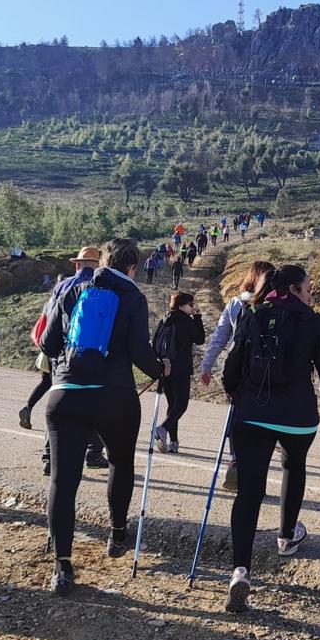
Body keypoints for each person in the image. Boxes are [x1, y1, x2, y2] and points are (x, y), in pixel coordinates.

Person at [38, 238, 170, 595]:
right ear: (132, 268)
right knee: (120, 463)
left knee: (63, 480)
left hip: (66, 395)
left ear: (102, 261)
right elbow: (139, 352)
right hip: (115, 396)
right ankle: (117, 535)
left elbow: (47, 344)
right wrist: (162, 368)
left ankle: (62, 566)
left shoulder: (72, 288)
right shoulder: (133, 296)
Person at [221, 265, 320, 613]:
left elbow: (231, 369)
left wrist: (238, 394)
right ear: (292, 289)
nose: (311, 294)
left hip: (253, 413)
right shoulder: (312, 321)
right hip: (297, 417)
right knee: (294, 464)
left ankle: (240, 570)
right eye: (308, 288)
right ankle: (287, 537)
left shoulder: (251, 314)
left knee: (249, 492)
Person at [21, 248, 108, 473]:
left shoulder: (62, 286)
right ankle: (93, 453)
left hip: (60, 355)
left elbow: (50, 319)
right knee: (94, 406)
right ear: (98, 265)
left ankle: (50, 459)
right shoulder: (101, 287)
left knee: (58, 406)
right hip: (91, 356)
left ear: (77, 265)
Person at [199, 259, 275, 491]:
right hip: (266, 372)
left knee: (238, 414)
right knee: (263, 419)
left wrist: (206, 366)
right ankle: (256, 469)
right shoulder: (274, 305)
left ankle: (236, 459)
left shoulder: (235, 303)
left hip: (237, 369)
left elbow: (219, 337)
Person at [151, 291, 206, 453]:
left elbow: (155, 342)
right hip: (181, 368)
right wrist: (197, 318)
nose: (192, 307)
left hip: (165, 368)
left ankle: (173, 442)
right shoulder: (186, 321)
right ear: (181, 305)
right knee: (181, 404)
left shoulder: (165, 319)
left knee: (172, 405)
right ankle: (163, 429)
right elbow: (200, 339)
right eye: (190, 304)